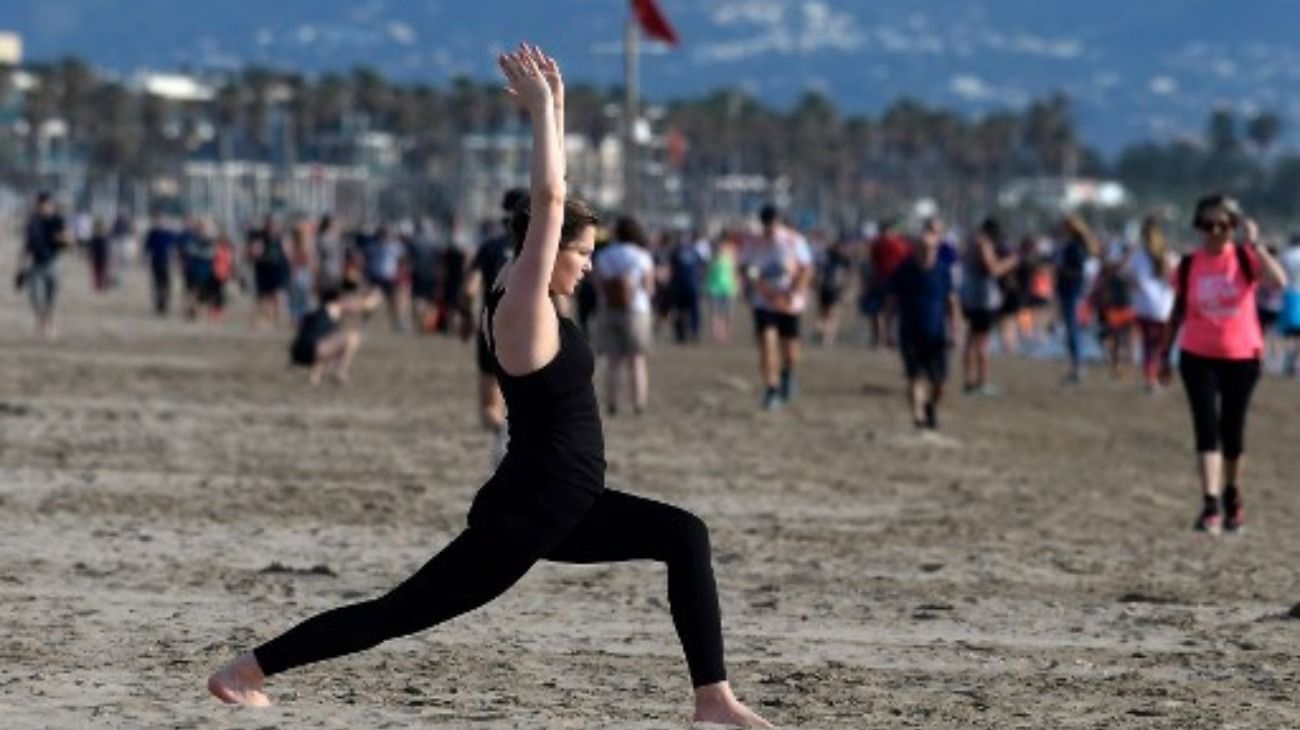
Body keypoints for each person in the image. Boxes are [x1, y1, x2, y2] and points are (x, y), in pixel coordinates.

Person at [208, 44, 772, 729]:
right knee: (398, 613)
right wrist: (541, 114)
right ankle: (245, 672)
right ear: (548, 247)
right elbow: (550, 198)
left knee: (685, 535)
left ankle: (711, 697)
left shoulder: (525, 286)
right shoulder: (522, 306)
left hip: (570, 501)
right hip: (530, 512)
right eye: (582, 253)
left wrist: (557, 110)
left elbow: (555, 203)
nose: (590, 266)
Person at [1160, 194, 1287, 534]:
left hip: (1242, 357)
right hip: (1197, 355)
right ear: (1198, 227)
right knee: (1205, 428)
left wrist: (1256, 244)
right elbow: (1176, 311)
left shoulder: (1245, 259)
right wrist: (1163, 355)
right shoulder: (1189, 265)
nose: (1215, 232)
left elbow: (1280, 281)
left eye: (1223, 225)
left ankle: (1232, 494)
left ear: (1234, 227)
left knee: (1232, 431)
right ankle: (1210, 503)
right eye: (1207, 225)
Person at [460, 188, 525, 466]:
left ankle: (502, 432)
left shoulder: (489, 247)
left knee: (488, 404)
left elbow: (469, 290)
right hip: (529, 328)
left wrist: (465, 317)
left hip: (493, 325)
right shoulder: (538, 249)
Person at [889, 218, 960, 429]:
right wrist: (887, 329)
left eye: (931, 248)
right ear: (916, 249)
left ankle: (930, 405)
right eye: (923, 248)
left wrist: (956, 331)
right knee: (914, 377)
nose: (927, 252)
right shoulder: (904, 270)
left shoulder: (943, 271)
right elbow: (891, 302)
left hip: (936, 333)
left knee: (940, 383)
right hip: (909, 331)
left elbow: (952, 303)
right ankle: (917, 415)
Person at [744, 204, 813, 410]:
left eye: (772, 225)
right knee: (766, 342)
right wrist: (752, 280)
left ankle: (787, 374)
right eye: (766, 226)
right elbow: (745, 266)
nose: (769, 230)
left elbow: (806, 268)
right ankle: (771, 388)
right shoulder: (754, 242)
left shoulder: (793, 240)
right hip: (764, 301)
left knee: (790, 351)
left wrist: (795, 292)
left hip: (789, 302)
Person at [594, 215, 656, 415]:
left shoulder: (605, 255)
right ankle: (638, 402)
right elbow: (648, 287)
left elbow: (598, 284)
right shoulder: (642, 256)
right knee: (636, 360)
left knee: (612, 360)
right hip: (637, 310)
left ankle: (612, 402)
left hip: (610, 309)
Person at [960, 217, 1018, 395]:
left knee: (971, 340)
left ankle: (969, 381)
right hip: (983, 299)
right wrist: (1011, 262)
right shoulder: (983, 244)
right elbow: (992, 269)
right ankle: (982, 382)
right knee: (982, 342)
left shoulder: (971, 242)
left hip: (971, 297)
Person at [1123, 215, 1177, 392]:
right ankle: (1160, 376)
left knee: (1148, 345)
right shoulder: (1169, 255)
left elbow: (1130, 279)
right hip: (1164, 309)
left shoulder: (1138, 256)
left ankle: (1151, 378)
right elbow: (1177, 280)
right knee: (1162, 346)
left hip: (1144, 307)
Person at [287, 286, 375, 386]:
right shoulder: (333, 308)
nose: (353, 302)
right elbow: (356, 308)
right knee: (352, 337)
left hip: (298, 353)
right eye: (351, 299)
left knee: (329, 339)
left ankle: (314, 376)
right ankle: (339, 373)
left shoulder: (320, 312)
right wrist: (366, 304)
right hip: (312, 350)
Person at [17, 192, 69, 338]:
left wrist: (60, 238)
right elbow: (27, 245)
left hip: (52, 263)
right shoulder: (33, 222)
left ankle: (49, 325)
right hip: (35, 264)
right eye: (40, 206)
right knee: (35, 296)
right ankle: (42, 322)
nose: (43, 208)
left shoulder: (57, 220)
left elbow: (68, 240)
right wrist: (20, 268)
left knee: (51, 298)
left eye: (46, 205)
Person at [1056, 215, 1099, 384]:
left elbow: (1078, 271)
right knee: (1073, 329)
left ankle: (1078, 366)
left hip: (1071, 291)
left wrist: (1061, 270)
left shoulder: (1074, 246)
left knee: (1073, 329)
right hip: (1072, 291)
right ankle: (1077, 365)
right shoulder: (1076, 245)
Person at [863, 220, 910, 348]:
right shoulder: (887, 244)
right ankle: (881, 338)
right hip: (883, 281)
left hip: (892, 281)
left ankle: (884, 338)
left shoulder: (898, 245)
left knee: (887, 312)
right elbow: (873, 263)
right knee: (881, 311)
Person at [814, 234, 854, 347]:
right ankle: (827, 336)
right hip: (830, 288)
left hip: (832, 289)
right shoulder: (842, 259)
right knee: (829, 314)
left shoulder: (840, 259)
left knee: (830, 314)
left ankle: (826, 336)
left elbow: (848, 276)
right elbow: (848, 276)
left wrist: (848, 290)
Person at [705, 232, 740, 343]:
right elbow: (707, 271)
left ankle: (727, 333)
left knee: (728, 313)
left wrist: (737, 284)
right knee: (715, 312)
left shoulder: (732, 255)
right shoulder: (712, 255)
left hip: (729, 287)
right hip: (714, 287)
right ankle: (716, 333)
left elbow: (735, 271)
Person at [143, 214, 175, 316]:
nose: (159, 223)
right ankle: (158, 305)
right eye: (156, 221)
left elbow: (173, 248)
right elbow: (146, 249)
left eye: (160, 221)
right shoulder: (151, 234)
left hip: (166, 262)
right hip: (155, 262)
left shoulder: (168, 234)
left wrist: (175, 260)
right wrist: (144, 260)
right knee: (157, 285)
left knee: (165, 284)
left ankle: (165, 304)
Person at [1280, 235, 1300, 377]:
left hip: (1289, 294)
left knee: (1289, 333)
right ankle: (1294, 362)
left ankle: (1288, 361)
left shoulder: (1286, 254)